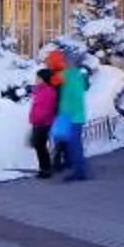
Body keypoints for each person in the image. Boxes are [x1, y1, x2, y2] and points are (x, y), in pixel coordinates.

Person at [53, 43, 91, 181]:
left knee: (74, 144)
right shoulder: (79, 75)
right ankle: (73, 167)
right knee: (71, 143)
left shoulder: (66, 75)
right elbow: (86, 87)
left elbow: (51, 84)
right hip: (76, 115)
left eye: (64, 60)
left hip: (70, 116)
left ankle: (79, 172)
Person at [27, 53, 63, 179]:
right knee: (39, 146)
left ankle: (45, 170)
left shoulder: (47, 91)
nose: (35, 80)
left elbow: (45, 108)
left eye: (37, 78)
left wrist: (37, 119)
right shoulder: (40, 90)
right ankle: (45, 168)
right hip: (39, 122)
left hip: (43, 123)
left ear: (43, 79)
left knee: (40, 146)